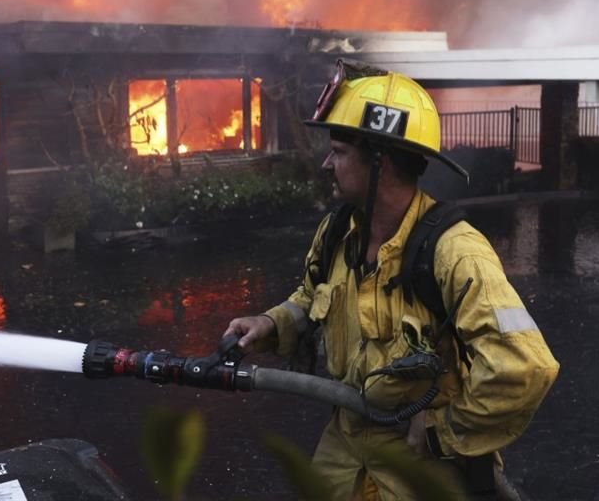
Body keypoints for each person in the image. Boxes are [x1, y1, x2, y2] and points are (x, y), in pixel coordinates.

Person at [224, 60, 559, 500]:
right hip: (342, 453)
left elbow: (525, 367)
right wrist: (271, 324)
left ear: (381, 160)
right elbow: (311, 298)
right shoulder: (337, 233)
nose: (327, 163)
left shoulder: (455, 251)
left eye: (340, 151)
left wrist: (442, 432)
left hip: (419, 468)